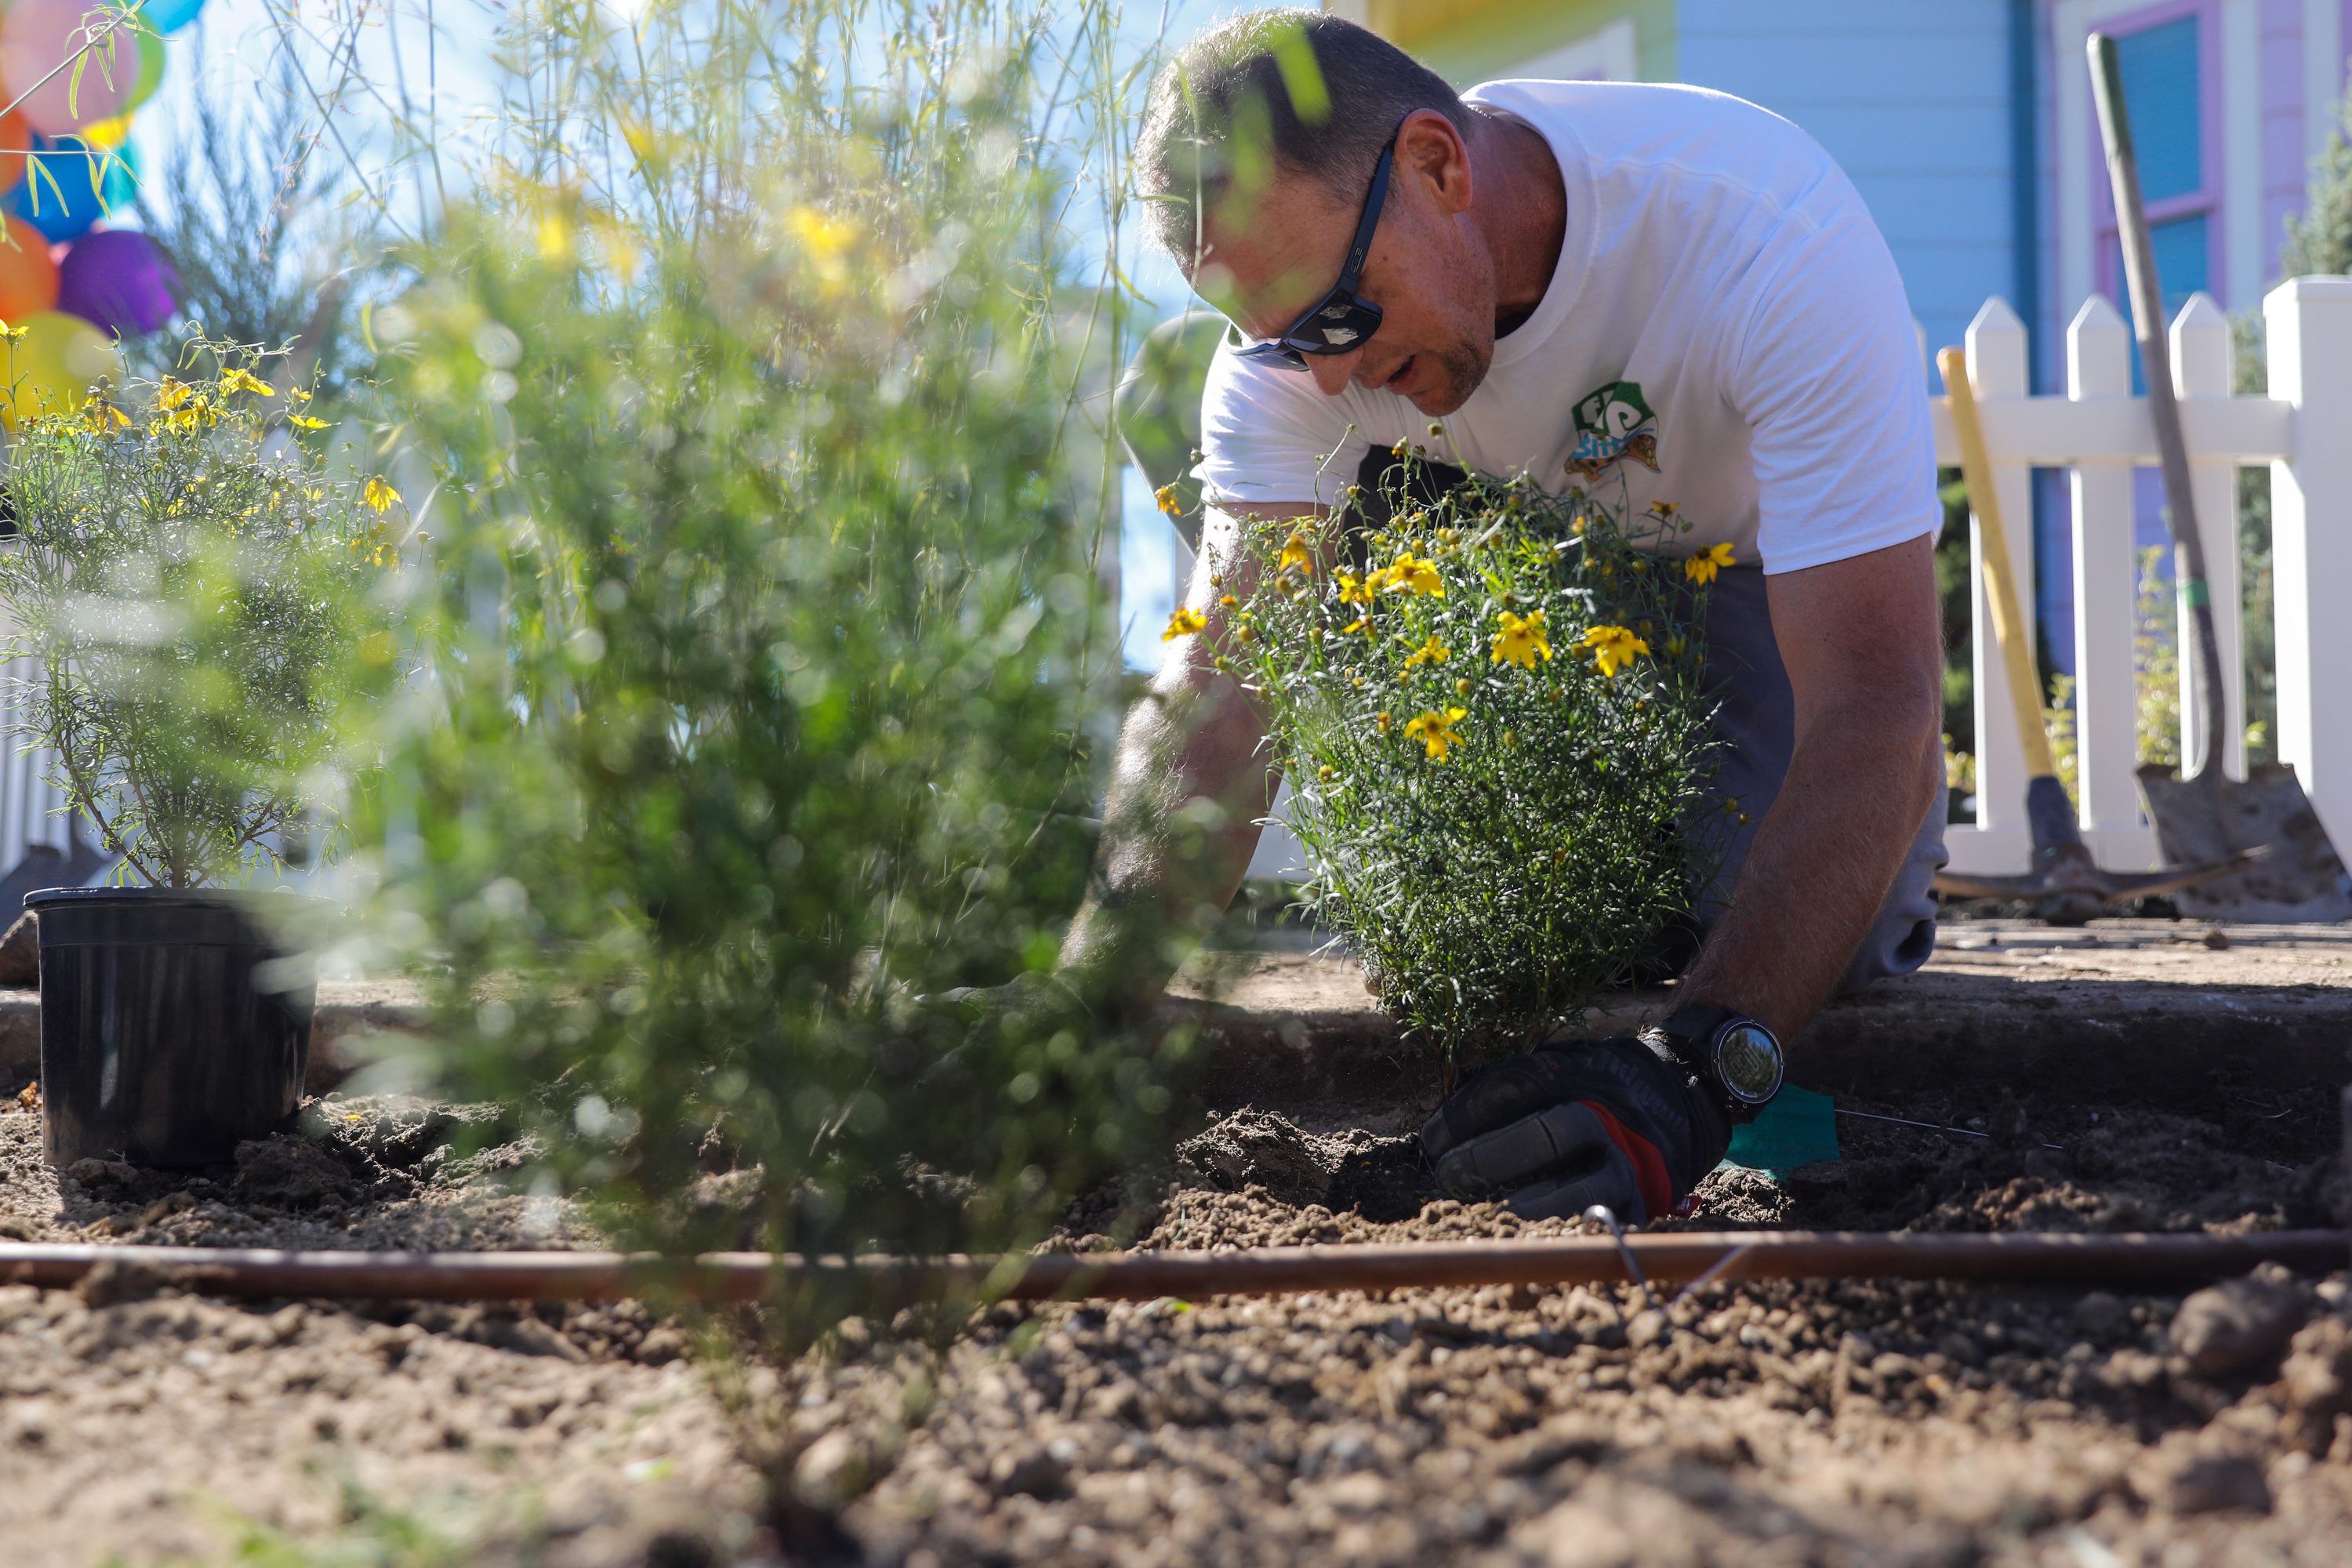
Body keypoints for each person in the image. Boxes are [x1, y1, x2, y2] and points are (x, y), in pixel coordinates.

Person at [1063, 9, 1947, 1225]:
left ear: (1440, 166)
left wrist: (1696, 1071)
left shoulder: (1764, 237)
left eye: (1337, 315)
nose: (1325, 376)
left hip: (1724, 576)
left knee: (1833, 920)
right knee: (1181, 390)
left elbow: (1878, 703)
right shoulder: (1298, 369)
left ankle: (1637, 875)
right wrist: (1090, 999)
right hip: (1499, 573)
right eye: (1282, 342)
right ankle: (1546, 843)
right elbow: (1228, 681)